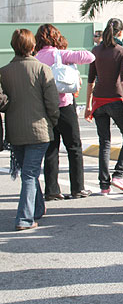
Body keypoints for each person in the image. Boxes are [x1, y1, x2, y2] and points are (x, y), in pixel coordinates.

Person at [0, 29, 59, 230]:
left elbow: (2, 102)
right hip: (39, 129)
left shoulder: (4, 72)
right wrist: (52, 121)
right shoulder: (43, 70)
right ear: (33, 47)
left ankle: (37, 208)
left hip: (15, 131)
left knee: (28, 172)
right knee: (30, 174)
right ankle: (24, 219)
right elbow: (52, 103)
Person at [34, 24, 95, 200]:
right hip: (64, 106)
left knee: (51, 149)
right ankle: (77, 188)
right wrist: (66, 54)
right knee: (74, 147)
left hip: (45, 108)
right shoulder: (60, 54)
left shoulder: (36, 57)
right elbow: (89, 56)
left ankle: (52, 190)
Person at [85, 18, 123, 195]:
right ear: (121, 32)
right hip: (116, 99)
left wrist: (88, 105)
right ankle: (119, 174)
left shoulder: (96, 50)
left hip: (98, 100)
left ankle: (104, 185)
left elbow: (91, 80)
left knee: (104, 142)